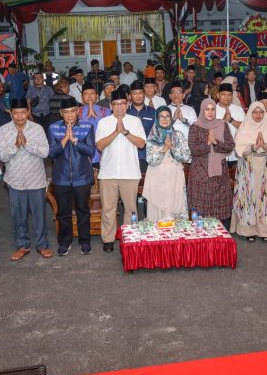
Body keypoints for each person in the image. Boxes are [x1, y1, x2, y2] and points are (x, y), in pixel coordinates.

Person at [0, 98, 53, 261]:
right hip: (15, 179)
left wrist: (27, 145)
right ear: (11, 113)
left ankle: (42, 245)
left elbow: (45, 152)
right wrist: (15, 146)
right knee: (18, 215)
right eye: (16, 113)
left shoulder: (37, 129)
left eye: (23, 112)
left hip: (36, 178)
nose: (20, 116)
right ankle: (22, 246)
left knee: (39, 214)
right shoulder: (3, 130)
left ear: (28, 112)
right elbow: (1, 156)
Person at [95, 90, 146, 252]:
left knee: (130, 209)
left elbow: (141, 144)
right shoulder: (103, 122)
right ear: (111, 106)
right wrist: (116, 131)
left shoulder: (135, 121)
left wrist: (125, 132)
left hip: (130, 173)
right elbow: (100, 146)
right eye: (116, 104)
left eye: (123, 104)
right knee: (109, 208)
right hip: (108, 173)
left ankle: (129, 236)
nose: (119, 107)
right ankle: (108, 239)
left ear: (127, 104)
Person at [48, 98, 96, 256]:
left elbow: (90, 151)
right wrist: (64, 140)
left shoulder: (87, 126)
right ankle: (65, 242)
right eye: (66, 112)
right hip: (61, 178)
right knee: (63, 213)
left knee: (83, 211)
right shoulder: (53, 128)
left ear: (78, 111)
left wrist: (74, 141)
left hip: (82, 177)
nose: (69, 115)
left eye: (72, 111)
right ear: (61, 113)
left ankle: (85, 241)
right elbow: (51, 153)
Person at [231, 102, 267, 242]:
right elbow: (238, 150)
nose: (258, 115)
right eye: (255, 112)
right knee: (249, 197)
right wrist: (253, 146)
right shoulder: (244, 127)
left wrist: (266, 146)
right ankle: (248, 231)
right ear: (250, 113)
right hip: (248, 168)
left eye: (261, 112)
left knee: (266, 197)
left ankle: (265, 230)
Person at [187, 98, 235, 228]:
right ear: (202, 110)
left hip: (220, 175)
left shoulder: (222, 124)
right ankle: (201, 240)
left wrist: (216, 142)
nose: (210, 112)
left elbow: (230, 146)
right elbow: (193, 149)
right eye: (207, 109)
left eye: (212, 109)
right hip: (201, 175)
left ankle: (220, 239)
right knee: (201, 210)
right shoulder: (195, 127)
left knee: (220, 209)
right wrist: (207, 143)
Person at [143, 106, 191, 220]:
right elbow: (151, 160)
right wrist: (165, 148)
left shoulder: (178, 135)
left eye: (168, 116)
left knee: (175, 211)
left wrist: (173, 148)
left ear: (171, 118)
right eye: (161, 117)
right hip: (156, 178)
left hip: (175, 178)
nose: (165, 119)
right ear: (157, 118)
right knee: (158, 214)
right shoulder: (152, 136)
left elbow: (185, 157)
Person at [127, 80, 156, 173]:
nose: (138, 96)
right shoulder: (125, 112)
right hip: (128, 156)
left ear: (144, 94)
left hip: (147, 156)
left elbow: (157, 133)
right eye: (134, 93)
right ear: (130, 96)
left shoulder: (153, 112)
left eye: (140, 93)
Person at [79, 82, 109, 166]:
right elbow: (76, 132)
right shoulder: (76, 112)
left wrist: (96, 117)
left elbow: (109, 130)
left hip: (103, 154)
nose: (89, 96)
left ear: (97, 96)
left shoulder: (106, 111)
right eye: (86, 94)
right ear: (82, 97)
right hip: (82, 155)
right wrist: (86, 118)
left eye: (92, 93)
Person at [215, 83, 245, 165]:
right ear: (218, 95)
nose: (226, 97)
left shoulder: (238, 110)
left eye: (229, 95)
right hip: (217, 155)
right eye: (223, 94)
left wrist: (231, 120)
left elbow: (245, 128)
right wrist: (223, 121)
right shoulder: (211, 110)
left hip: (236, 154)